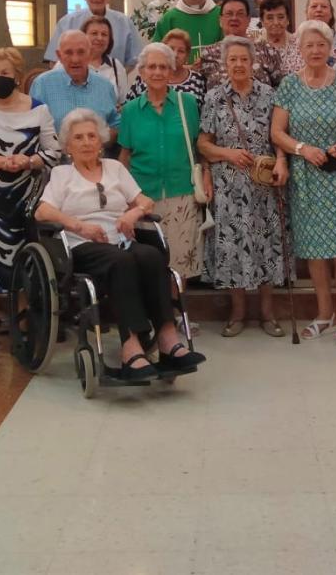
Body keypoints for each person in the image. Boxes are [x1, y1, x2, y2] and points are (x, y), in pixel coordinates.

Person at [34, 109, 206, 379]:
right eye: (78, 137)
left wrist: (132, 213)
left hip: (120, 240)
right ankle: (131, 345)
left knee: (151, 255)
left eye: (92, 135)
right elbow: (42, 212)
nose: (87, 142)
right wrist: (80, 226)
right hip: (82, 245)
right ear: (68, 145)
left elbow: (144, 201)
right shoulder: (61, 174)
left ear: (101, 141)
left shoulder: (115, 168)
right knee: (122, 261)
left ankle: (167, 337)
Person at [270, 19, 336, 350]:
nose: (315, 50)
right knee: (314, 249)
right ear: (299, 50)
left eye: (321, 45)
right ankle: (323, 313)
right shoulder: (289, 86)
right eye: (308, 45)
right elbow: (277, 132)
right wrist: (301, 149)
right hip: (306, 176)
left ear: (330, 48)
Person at [0, 47, 60, 358]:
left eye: (4, 74)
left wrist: (28, 162)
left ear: (17, 75)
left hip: (26, 201)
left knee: (24, 265)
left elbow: (53, 153)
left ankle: (23, 327)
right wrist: (4, 161)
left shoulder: (39, 109)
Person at [198, 36, 289, 336]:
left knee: (267, 247)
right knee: (233, 248)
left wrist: (280, 161)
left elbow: (280, 136)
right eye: (232, 59)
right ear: (225, 64)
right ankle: (237, 314)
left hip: (265, 185)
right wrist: (228, 154)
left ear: (253, 63)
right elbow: (204, 144)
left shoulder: (270, 95)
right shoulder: (214, 97)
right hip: (229, 188)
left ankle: (267, 314)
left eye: (243, 59)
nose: (238, 64)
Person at [118, 43, 207, 281]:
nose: (157, 72)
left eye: (163, 67)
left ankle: (179, 316)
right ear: (142, 72)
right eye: (151, 67)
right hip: (144, 197)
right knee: (149, 264)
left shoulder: (187, 103)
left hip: (182, 193)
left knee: (180, 266)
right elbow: (124, 156)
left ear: (171, 70)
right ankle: (156, 316)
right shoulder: (130, 111)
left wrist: (207, 180)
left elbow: (200, 147)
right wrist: (126, 197)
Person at [29, 30, 121, 136]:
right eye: (68, 53)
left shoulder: (105, 87)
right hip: (55, 151)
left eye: (81, 52)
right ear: (59, 56)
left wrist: (99, 141)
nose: (75, 59)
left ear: (90, 53)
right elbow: (31, 128)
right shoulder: (42, 85)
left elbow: (116, 125)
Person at [44, 0, 143, 68]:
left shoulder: (124, 23)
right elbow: (54, 60)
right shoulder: (67, 22)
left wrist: (117, 77)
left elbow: (135, 60)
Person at [197, 0, 284, 89]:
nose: (234, 18)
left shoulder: (266, 50)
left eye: (240, 14)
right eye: (229, 14)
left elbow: (281, 89)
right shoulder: (208, 54)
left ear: (248, 19)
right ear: (220, 20)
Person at [125, 28, 207, 107]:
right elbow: (128, 107)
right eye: (171, 49)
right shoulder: (144, 76)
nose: (175, 54)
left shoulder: (198, 80)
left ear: (187, 56)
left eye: (181, 51)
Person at [82, 14, 131, 102]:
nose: (100, 38)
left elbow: (125, 101)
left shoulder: (116, 66)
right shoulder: (70, 63)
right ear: (83, 36)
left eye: (104, 34)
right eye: (94, 33)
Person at [256, 0, 303, 73]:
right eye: (270, 18)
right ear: (262, 21)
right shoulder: (255, 49)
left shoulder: (301, 47)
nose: (276, 22)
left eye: (280, 17)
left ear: (288, 19)